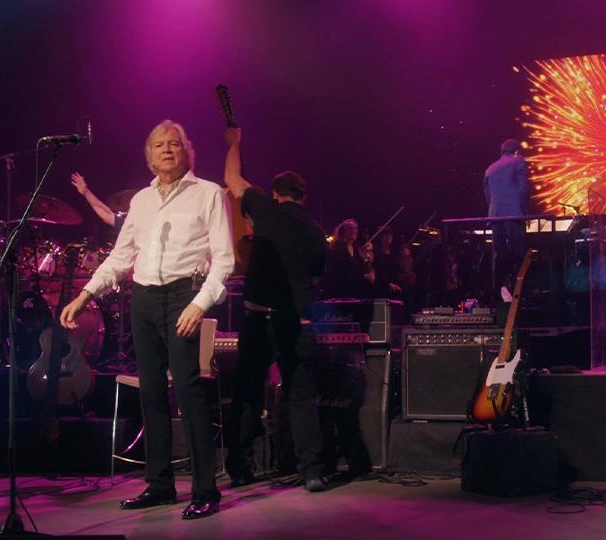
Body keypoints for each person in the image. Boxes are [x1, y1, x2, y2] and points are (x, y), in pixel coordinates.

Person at [60, 120, 234, 520]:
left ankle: (205, 489)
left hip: (183, 296)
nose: (167, 150)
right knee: (151, 391)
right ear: (149, 155)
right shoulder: (140, 201)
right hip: (144, 296)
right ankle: (159, 485)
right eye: (159, 145)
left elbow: (224, 258)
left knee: (188, 390)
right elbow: (121, 258)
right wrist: (85, 294)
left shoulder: (208, 193)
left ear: (187, 152)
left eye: (175, 144)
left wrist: (199, 303)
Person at [220, 126, 329, 492]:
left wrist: (235, 142)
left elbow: (231, 178)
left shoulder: (264, 208)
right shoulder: (316, 232)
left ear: (276, 193)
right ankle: (311, 471)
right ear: (302, 197)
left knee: (249, 393)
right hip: (296, 321)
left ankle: (239, 469)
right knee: (300, 397)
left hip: (257, 317)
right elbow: (315, 276)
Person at [483, 138, 529, 292]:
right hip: (514, 214)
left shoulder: (490, 168)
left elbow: (488, 196)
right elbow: (523, 190)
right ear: (516, 151)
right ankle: (519, 292)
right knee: (518, 254)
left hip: (495, 215)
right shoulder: (518, 162)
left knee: (499, 256)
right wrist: (523, 213)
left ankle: (497, 293)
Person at [320, 219, 375, 299]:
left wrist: (367, 262)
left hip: (353, 290)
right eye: (349, 228)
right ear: (343, 231)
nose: (353, 231)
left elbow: (360, 269)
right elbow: (343, 271)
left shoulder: (355, 249)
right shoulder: (337, 247)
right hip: (340, 291)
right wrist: (363, 276)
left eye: (355, 228)